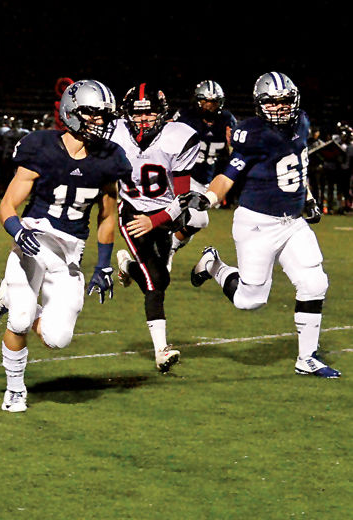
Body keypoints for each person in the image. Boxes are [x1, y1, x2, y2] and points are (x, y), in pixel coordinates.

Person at [0, 80, 131, 412]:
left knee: (57, 339)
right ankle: (15, 389)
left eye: (103, 116)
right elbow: (8, 204)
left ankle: (9, 298)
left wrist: (103, 264)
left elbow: (108, 216)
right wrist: (16, 230)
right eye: (92, 114)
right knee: (20, 320)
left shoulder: (110, 158)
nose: (99, 122)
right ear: (72, 112)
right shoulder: (41, 147)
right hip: (32, 240)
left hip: (70, 253)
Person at [188, 71, 340, 378]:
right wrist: (209, 197)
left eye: (286, 102)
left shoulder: (302, 123)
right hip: (257, 225)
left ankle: (306, 358)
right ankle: (214, 265)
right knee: (249, 301)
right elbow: (228, 174)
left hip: (292, 222)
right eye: (274, 103)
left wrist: (307, 198)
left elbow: (298, 167)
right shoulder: (253, 133)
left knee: (314, 283)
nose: (281, 109)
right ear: (260, 105)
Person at [111, 83, 201, 372]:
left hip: (164, 213)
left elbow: (184, 195)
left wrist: (159, 220)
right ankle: (161, 350)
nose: (143, 120)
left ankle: (127, 267)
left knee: (156, 277)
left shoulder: (179, 137)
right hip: (133, 213)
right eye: (137, 115)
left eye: (149, 113)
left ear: (161, 113)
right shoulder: (115, 133)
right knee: (158, 279)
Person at [169, 80, 236, 268]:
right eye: (205, 101)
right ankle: (168, 250)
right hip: (182, 174)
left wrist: (234, 146)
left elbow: (234, 151)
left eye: (213, 102)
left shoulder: (227, 120)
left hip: (205, 179)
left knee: (194, 222)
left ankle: (168, 247)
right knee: (198, 219)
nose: (210, 106)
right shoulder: (185, 117)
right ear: (197, 101)